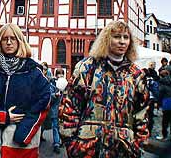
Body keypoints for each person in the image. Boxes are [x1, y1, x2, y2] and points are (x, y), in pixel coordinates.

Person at [59, 20, 150, 158]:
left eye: (126, 37)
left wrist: (138, 145)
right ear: (107, 39)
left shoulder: (135, 74)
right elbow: (70, 106)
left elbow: (142, 113)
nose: (122, 41)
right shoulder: (87, 68)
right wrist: (72, 144)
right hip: (87, 148)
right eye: (117, 36)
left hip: (123, 150)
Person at [0, 23, 51, 158]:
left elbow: (43, 104)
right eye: (5, 39)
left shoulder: (34, 73)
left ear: (19, 41)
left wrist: (23, 133)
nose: (9, 42)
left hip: (22, 148)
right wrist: (2, 117)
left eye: (13, 38)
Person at [156, 69, 171, 141]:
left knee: (165, 121)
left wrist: (158, 104)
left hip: (167, 102)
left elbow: (160, 95)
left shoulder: (162, 83)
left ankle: (164, 136)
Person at [50, 68, 65, 154]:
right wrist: (55, 95)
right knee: (55, 126)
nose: (61, 76)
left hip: (63, 108)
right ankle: (56, 144)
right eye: (59, 74)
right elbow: (49, 95)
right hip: (55, 108)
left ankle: (61, 140)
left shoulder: (65, 83)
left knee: (62, 126)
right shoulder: (52, 83)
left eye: (62, 74)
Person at [40, 61, 53, 142]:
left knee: (44, 122)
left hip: (46, 103)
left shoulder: (49, 79)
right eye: (42, 69)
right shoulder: (37, 77)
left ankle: (41, 135)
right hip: (39, 103)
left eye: (45, 69)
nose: (44, 71)